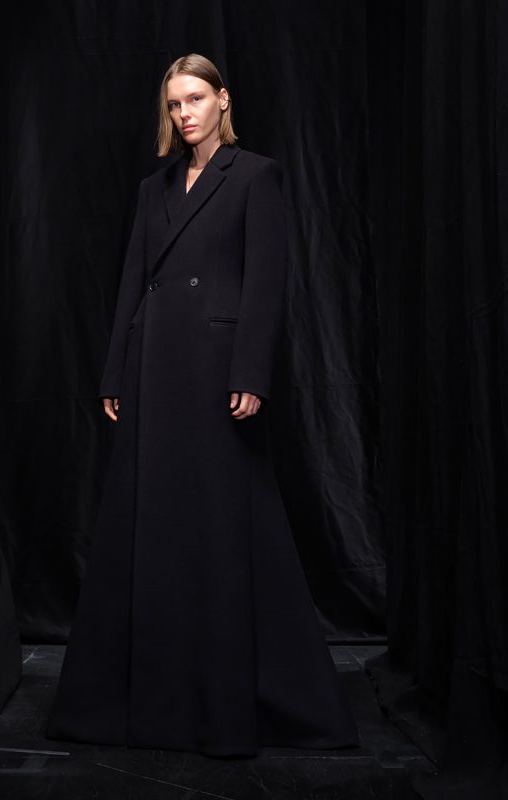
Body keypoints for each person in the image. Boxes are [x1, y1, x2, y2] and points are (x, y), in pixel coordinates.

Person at [46, 53, 359, 757]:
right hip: (154, 366)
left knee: (221, 523)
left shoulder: (255, 175)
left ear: (223, 100)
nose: (184, 113)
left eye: (195, 98)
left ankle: (230, 692)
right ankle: (150, 695)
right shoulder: (153, 188)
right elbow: (133, 283)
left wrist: (250, 371)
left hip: (216, 371)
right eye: (174, 103)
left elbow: (265, 281)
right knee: (151, 520)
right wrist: (114, 373)